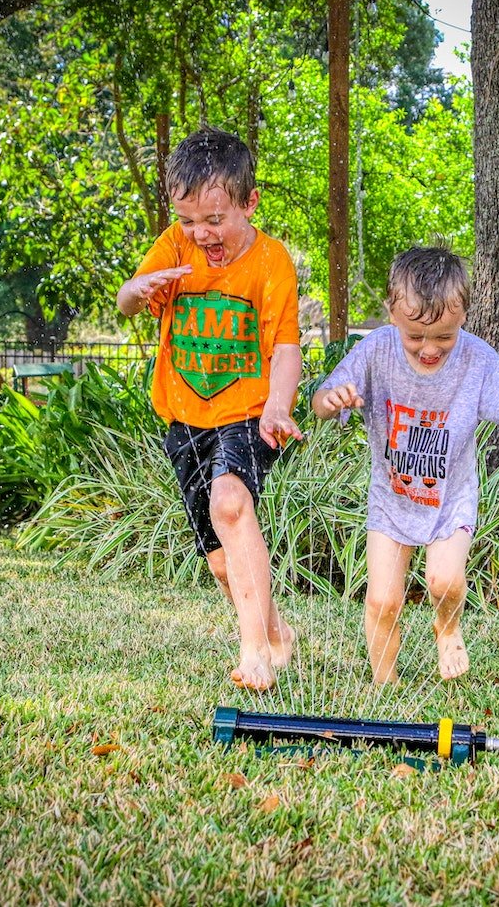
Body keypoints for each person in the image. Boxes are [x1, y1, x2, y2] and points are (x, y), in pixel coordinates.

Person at [116, 127, 302, 692]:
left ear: (250, 203)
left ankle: (254, 656)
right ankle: (275, 633)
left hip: (248, 413)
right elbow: (127, 302)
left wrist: (277, 406)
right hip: (184, 418)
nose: (201, 234)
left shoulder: (271, 264)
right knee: (222, 560)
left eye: (214, 220)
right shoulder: (175, 245)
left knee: (231, 503)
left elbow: (286, 348)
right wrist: (139, 288)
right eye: (189, 219)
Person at [312, 246, 499, 684]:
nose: (429, 349)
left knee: (444, 580)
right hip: (391, 501)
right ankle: (386, 685)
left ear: (463, 318)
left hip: (450, 499)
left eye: (444, 337)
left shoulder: (476, 359)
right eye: (416, 337)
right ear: (392, 313)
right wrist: (332, 400)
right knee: (382, 602)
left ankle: (448, 627)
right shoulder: (376, 350)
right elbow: (323, 399)